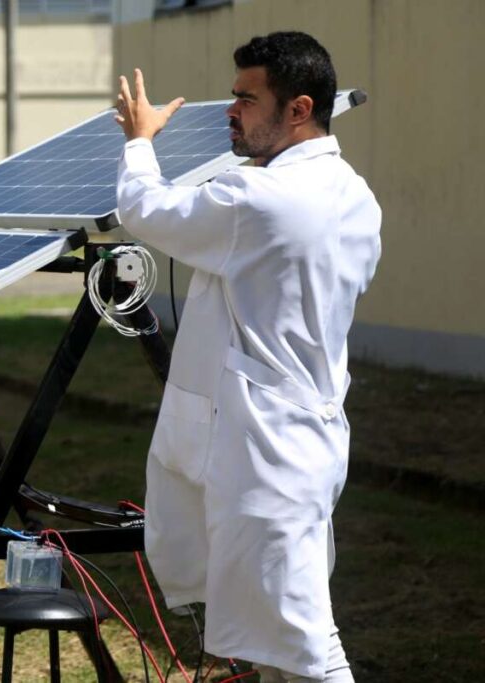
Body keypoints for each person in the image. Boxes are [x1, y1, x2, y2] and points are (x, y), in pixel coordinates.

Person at [114, 32, 381, 682]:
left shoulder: (256, 200)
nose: (229, 111)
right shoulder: (354, 196)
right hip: (304, 442)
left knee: (309, 646)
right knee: (275, 646)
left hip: (267, 460)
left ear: (299, 108)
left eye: (246, 98)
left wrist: (139, 140)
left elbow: (144, 208)